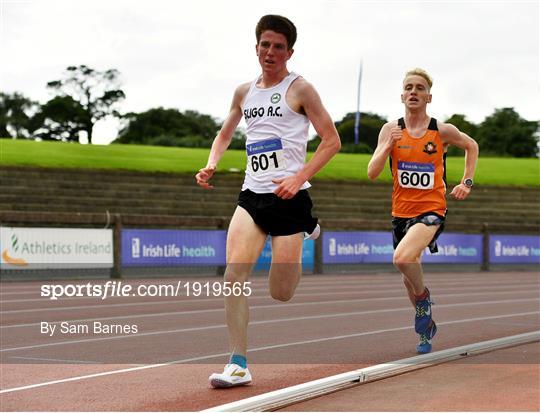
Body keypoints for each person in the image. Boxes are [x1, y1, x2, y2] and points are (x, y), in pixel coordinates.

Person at [195, 15, 341, 388]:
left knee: (281, 293)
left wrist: (298, 178)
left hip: (290, 198)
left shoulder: (301, 89)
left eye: (278, 46)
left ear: (289, 52)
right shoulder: (244, 92)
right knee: (233, 277)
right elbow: (225, 133)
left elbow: (331, 141)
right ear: (256, 47)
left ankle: (309, 227)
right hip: (252, 195)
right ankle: (238, 363)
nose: (270, 52)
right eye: (265, 44)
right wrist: (212, 164)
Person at [367, 68, 479, 354]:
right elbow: (372, 172)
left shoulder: (441, 130)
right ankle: (425, 330)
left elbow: (472, 145)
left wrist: (466, 181)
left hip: (431, 209)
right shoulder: (390, 129)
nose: (414, 92)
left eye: (419, 88)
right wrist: (387, 146)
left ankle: (424, 298)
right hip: (400, 212)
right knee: (408, 273)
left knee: (402, 258)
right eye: (409, 87)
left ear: (429, 96)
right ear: (402, 95)